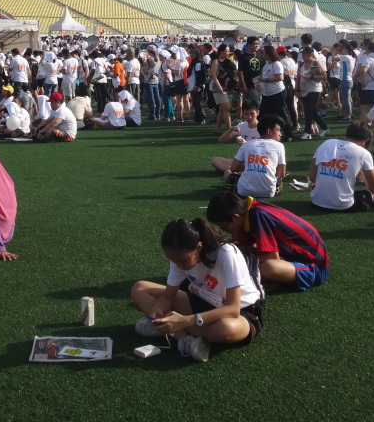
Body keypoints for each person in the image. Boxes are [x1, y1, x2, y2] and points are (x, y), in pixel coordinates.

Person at [130, 217, 264, 363]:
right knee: (140, 288)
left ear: (198, 247)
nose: (179, 266)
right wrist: (156, 311)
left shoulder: (226, 253)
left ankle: (174, 328)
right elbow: (168, 297)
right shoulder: (178, 257)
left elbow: (233, 309)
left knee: (225, 329)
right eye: (175, 261)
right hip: (201, 300)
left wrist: (186, 321)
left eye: (183, 261)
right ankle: (183, 338)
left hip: (239, 313)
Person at [207, 192, 329, 292]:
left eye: (224, 227)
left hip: (315, 267)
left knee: (267, 268)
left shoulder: (259, 215)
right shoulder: (250, 211)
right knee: (241, 251)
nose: (225, 231)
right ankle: (276, 279)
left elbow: (272, 257)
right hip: (291, 256)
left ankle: (277, 281)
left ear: (236, 217)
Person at [309, 122, 374, 211]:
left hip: (316, 202)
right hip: (343, 205)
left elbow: (312, 176)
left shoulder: (326, 143)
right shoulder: (363, 153)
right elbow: (373, 189)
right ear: (365, 141)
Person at [215, 115, 287, 198]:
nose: (280, 134)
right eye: (278, 130)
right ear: (269, 131)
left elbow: (233, 168)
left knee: (227, 173)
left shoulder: (247, 144)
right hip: (268, 192)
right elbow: (281, 174)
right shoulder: (279, 146)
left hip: (243, 191)